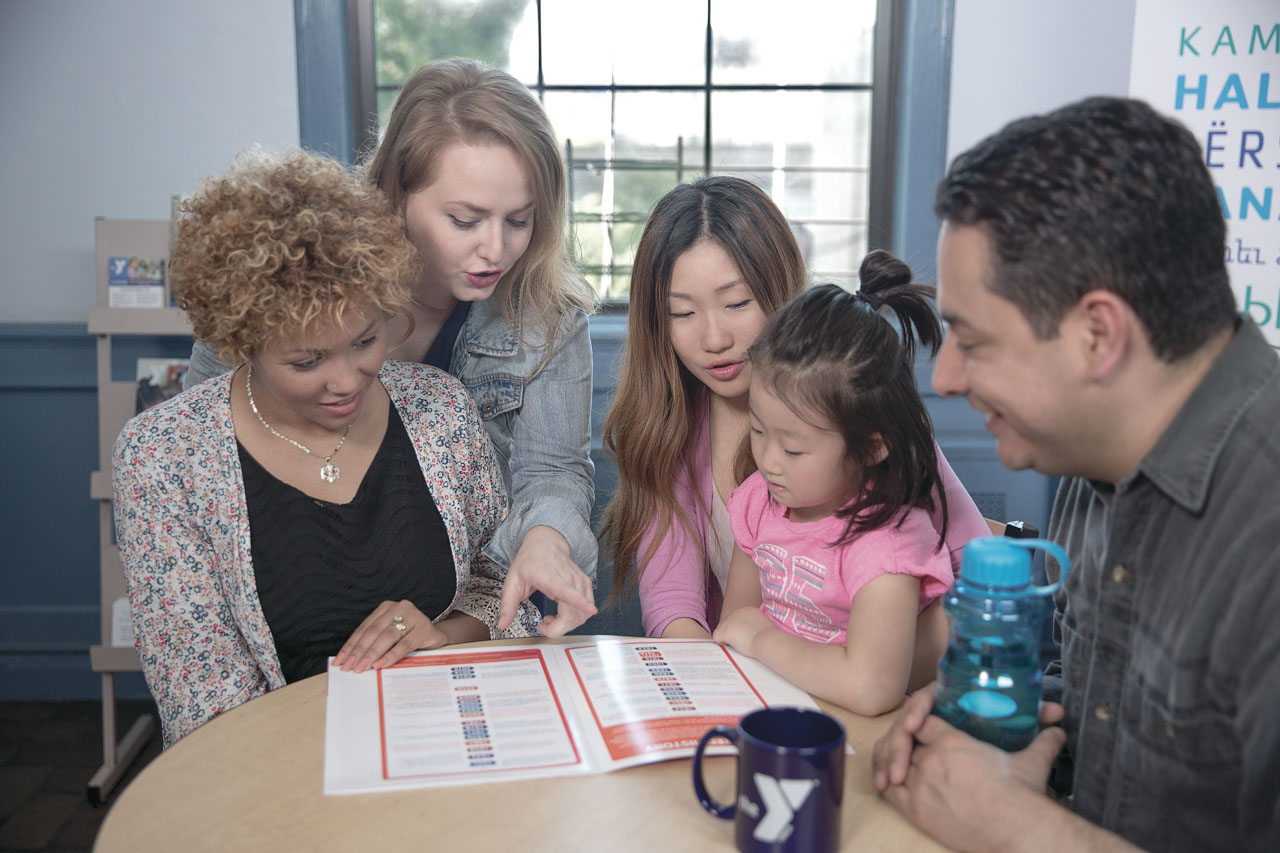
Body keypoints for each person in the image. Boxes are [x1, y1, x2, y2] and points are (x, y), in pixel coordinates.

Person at [871, 97, 1280, 852]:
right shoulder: (1091, 459)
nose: (948, 375)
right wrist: (979, 712)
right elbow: (1107, 702)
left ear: (1098, 334)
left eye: (972, 338)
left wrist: (1019, 828)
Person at [114, 149, 541, 747]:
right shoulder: (165, 457)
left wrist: (444, 636)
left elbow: (504, 590)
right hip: (277, 781)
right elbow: (202, 708)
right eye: (306, 361)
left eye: (366, 340)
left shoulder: (439, 407)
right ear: (243, 339)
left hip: (452, 746)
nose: (346, 380)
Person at [183, 58, 598, 636]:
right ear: (397, 193)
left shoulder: (546, 315)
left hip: (464, 615)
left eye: (520, 221)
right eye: (464, 219)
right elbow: (198, 451)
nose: (496, 250)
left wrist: (546, 542)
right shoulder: (285, 279)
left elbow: (552, 473)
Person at [600, 176, 989, 686]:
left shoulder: (859, 421)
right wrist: (714, 681)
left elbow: (980, 588)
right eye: (682, 312)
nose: (714, 338)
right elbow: (676, 608)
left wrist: (860, 671)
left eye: (737, 304)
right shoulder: (666, 430)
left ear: (780, 289)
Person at [714, 252, 967, 715]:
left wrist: (764, 640)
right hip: (775, 706)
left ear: (872, 447)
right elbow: (735, 623)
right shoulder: (759, 503)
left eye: (793, 449)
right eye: (757, 430)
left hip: (860, 733)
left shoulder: (884, 545)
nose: (768, 462)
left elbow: (871, 688)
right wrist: (753, 637)